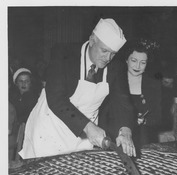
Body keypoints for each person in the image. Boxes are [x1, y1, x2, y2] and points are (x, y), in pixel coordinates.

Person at [20, 18, 135, 159]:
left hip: (85, 133)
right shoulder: (63, 54)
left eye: (113, 53)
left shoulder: (117, 66)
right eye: (104, 51)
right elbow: (56, 99)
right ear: (92, 40)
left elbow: (123, 102)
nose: (108, 58)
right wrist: (88, 127)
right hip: (52, 125)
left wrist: (125, 130)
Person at [125, 39, 162, 151]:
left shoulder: (153, 85)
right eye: (134, 60)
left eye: (143, 63)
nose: (138, 66)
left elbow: (158, 117)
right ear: (126, 60)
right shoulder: (116, 81)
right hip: (119, 133)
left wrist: (145, 121)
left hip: (143, 135)